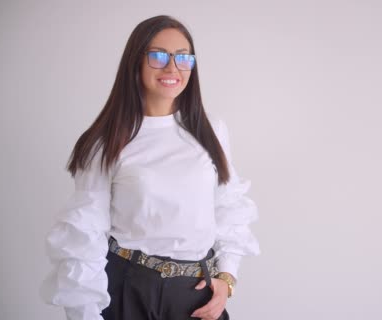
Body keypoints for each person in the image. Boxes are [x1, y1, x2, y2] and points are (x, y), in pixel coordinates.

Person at [39, 15, 260, 320]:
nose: (172, 67)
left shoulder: (212, 130)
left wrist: (226, 277)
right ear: (136, 62)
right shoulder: (106, 141)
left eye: (183, 57)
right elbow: (84, 235)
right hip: (129, 290)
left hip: (196, 293)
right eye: (158, 56)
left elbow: (228, 206)